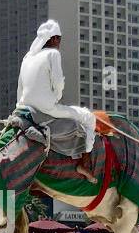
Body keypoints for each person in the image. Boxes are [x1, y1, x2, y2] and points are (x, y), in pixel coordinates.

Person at [16, 19, 97, 182]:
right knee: (89, 117)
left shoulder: (27, 57)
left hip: (24, 108)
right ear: (53, 39)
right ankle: (85, 161)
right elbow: (58, 83)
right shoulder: (53, 54)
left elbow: (20, 87)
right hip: (46, 108)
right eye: (59, 39)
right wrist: (56, 97)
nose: (59, 42)